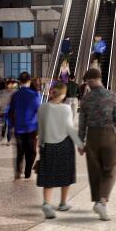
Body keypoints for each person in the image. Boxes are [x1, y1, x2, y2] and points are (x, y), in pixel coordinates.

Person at [78, 67, 116, 221]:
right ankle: (102, 201)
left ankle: (98, 200)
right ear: (100, 79)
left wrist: (80, 142)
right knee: (110, 170)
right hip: (109, 135)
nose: (88, 86)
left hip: (92, 136)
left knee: (95, 170)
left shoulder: (86, 99)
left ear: (90, 82)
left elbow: (82, 123)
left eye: (87, 83)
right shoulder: (112, 96)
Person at [36, 82, 81, 218]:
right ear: (63, 94)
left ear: (51, 92)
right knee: (65, 174)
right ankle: (62, 203)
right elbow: (69, 128)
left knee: (48, 176)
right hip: (64, 145)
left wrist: (40, 145)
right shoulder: (66, 109)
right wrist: (80, 144)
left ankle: (46, 204)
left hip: (47, 145)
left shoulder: (42, 108)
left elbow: (40, 129)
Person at [6, 72, 41, 180]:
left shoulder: (15, 95)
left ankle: (18, 170)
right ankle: (28, 171)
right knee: (31, 152)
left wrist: (10, 126)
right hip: (32, 128)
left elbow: (11, 112)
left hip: (19, 128)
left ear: (19, 82)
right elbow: (39, 112)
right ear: (29, 81)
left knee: (20, 151)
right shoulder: (35, 95)